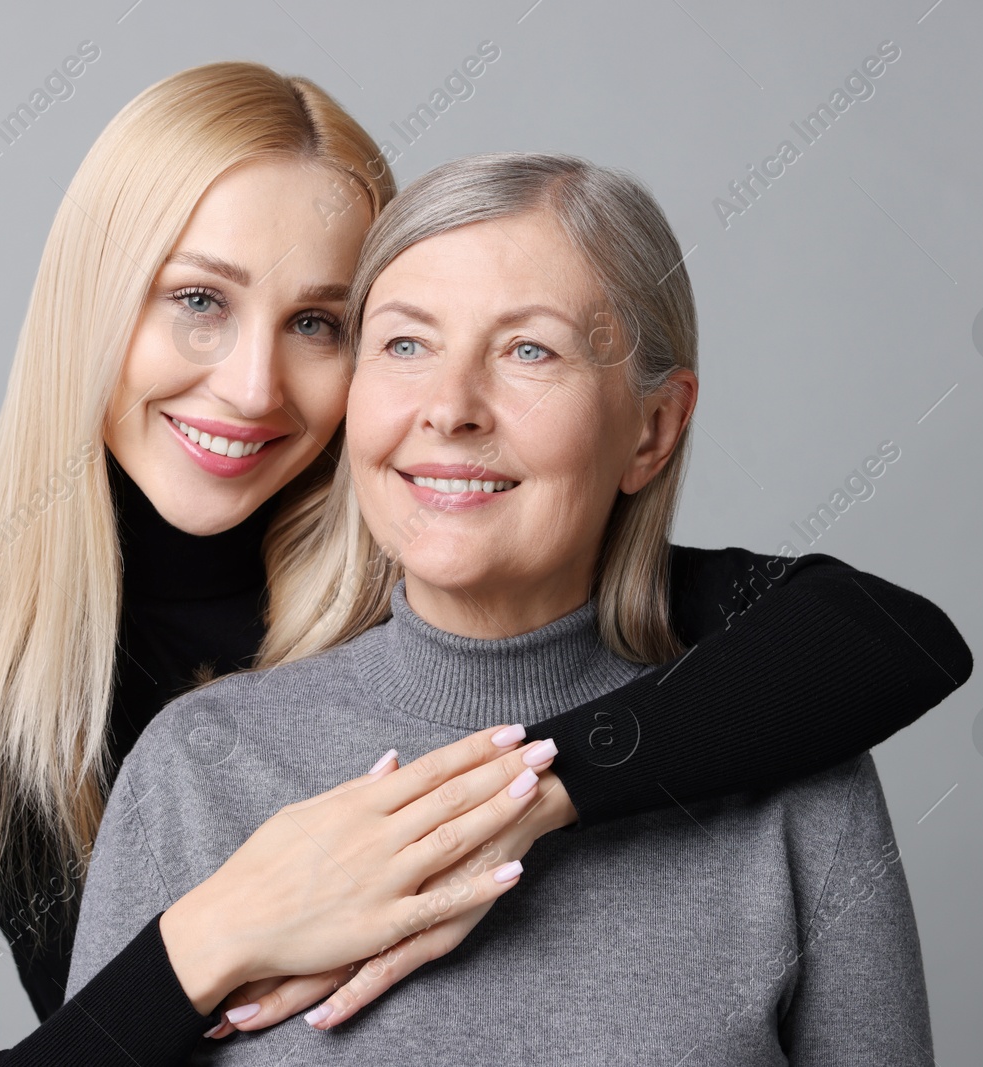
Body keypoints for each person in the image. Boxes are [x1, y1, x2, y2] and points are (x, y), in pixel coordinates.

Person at [0, 63, 966, 1066]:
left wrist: (529, 798)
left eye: (321, 324)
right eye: (196, 299)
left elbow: (884, 637)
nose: (252, 385)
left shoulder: (455, 551)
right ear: (87, 311)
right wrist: (209, 939)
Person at [70, 151, 934, 1062]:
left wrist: (549, 786)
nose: (450, 408)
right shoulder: (201, 768)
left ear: (652, 430)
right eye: (406, 344)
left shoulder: (793, 767)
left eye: (530, 350)